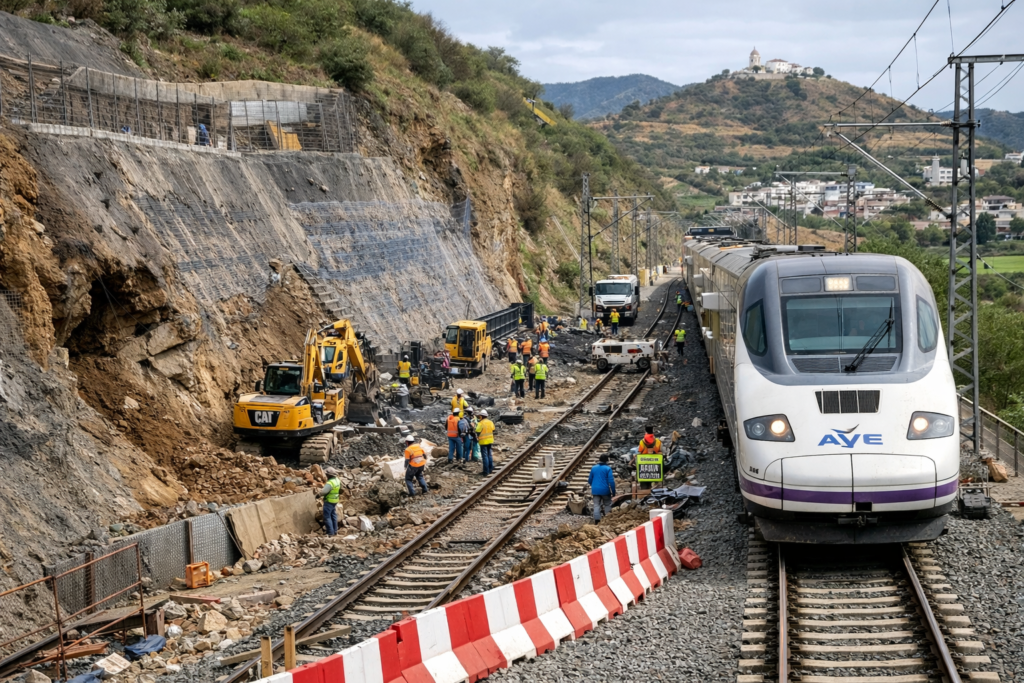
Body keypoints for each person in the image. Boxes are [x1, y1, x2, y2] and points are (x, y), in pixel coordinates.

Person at [587, 454, 616, 522]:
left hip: (595, 490)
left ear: (599, 459)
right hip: (605, 490)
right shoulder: (608, 468)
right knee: (607, 504)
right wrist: (613, 492)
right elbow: (611, 481)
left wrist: (594, 486)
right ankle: (607, 519)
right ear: (607, 460)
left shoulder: (593, 468)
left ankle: (597, 520)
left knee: (596, 505)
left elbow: (590, 480)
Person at [316, 467, 342, 536]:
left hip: (329, 501)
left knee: (327, 517)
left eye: (327, 474)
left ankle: (330, 533)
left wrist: (318, 495)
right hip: (335, 500)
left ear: (329, 475)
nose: (326, 476)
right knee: (333, 515)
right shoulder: (337, 480)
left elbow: (324, 492)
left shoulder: (330, 482)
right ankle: (335, 531)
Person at [476, 409, 495, 475]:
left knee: (485, 456)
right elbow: (493, 429)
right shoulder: (490, 422)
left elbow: (477, 431)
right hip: (490, 440)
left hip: (483, 441)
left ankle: (486, 471)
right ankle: (491, 469)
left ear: (481, 416)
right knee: (489, 454)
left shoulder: (480, 423)